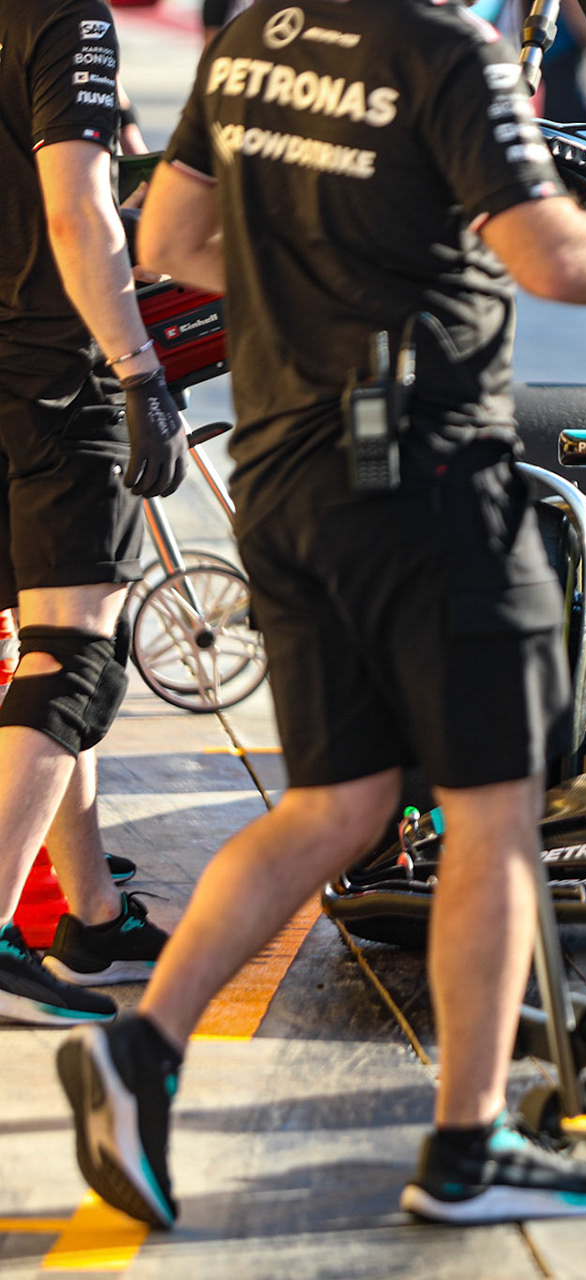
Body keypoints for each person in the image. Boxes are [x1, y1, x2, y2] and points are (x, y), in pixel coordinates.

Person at [57, 0, 586, 1229]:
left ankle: (144, 1047)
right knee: (497, 808)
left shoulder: (252, 42)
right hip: (425, 477)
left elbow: (170, 236)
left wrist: (314, 287)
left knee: (340, 801)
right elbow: (561, 260)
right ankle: (466, 1147)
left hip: (282, 472)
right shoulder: (447, 58)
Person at [0, 0, 181, 1027]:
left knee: (46, 649)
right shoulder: (67, 15)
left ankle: (93, 918)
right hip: (50, 370)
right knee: (76, 652)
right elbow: (77, 211)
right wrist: (138, 369)